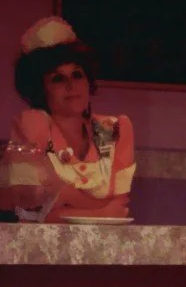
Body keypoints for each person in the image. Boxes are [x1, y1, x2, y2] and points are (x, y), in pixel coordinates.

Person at [6, 17, 135, 222]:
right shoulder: (30, 124)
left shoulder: (117, 129)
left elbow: (120, 210)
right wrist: (100, 209)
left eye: (77, 75)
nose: (70, 85)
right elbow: (33, 205)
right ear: (40, 89)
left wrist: (65, 202)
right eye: (57, 78)